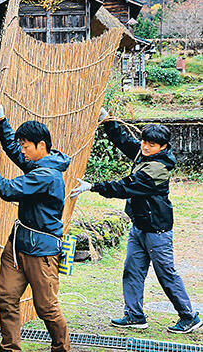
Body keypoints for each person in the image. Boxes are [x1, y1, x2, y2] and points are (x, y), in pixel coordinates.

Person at [70, 109, 201, 334]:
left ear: (163, 147)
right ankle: (134, 315)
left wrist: (93, 186)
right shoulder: (145, 153)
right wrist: (107, 120)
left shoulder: (157, 169)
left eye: (151, 144)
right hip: (139, 226)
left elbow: (125, 186)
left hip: (157, 230)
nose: (145, 147)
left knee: (165, 274)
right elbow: (125, 142)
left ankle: (189, 317)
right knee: (132, 270)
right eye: (144, 142)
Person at [0, 105, 73, 352]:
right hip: (17, 246)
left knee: (46, 306)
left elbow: (8, 190)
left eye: (25, 146)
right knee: (7, 298)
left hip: (41, 251)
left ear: (41, 146)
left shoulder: (46, 175)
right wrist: (2, 121)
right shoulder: (38, 164)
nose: (21, 150)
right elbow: (11, 148)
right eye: (21, 145)